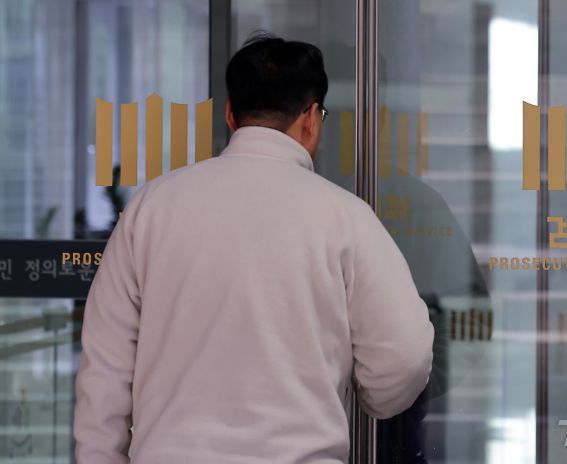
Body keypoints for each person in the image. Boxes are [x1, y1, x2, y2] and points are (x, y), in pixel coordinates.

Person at [73, 32, 434, 463]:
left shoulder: (151, 207)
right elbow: (404, 356)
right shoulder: (345, 216)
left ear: (230, 114)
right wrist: (373, 398)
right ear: (311, 118)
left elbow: (105, 368)